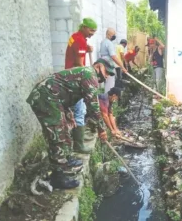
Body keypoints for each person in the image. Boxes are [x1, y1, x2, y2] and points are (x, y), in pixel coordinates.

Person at [26, 58, 115, 189]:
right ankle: (58, 177)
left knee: (64, 130)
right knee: (58, 135)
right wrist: (101, 130)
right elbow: (93, 107)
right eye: (106, 72)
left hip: (54, 99)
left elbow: (65, 91)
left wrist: (68, 115)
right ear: (99, 66)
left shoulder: (86, 73)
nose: (106, 76)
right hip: (45, 98)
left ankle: (66, 160)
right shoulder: (90, 75)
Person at [64, 17, 97, 153]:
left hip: (69, 75)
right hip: (75, 79)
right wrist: (87, 78)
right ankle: (79, 147)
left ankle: (75, 142)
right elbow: (79, 64)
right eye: (90, 30)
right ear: (83, 27)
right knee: (80, 111)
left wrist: (87, 48)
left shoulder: (75, 37)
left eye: (94, 31)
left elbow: (77, 53)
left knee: (74, 111)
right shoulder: (80, 41)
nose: (92, 33)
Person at [100, 28, 127, 93]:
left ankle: (107, 98)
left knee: (107, 83)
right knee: (110, 84)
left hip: (103, 63)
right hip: (108, 65)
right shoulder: (109, 43)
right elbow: (113, 57)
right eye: (113, 34)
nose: (114, 36)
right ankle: (109, 98)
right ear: (109, 34)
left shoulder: (103, 42)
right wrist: (122, 67)